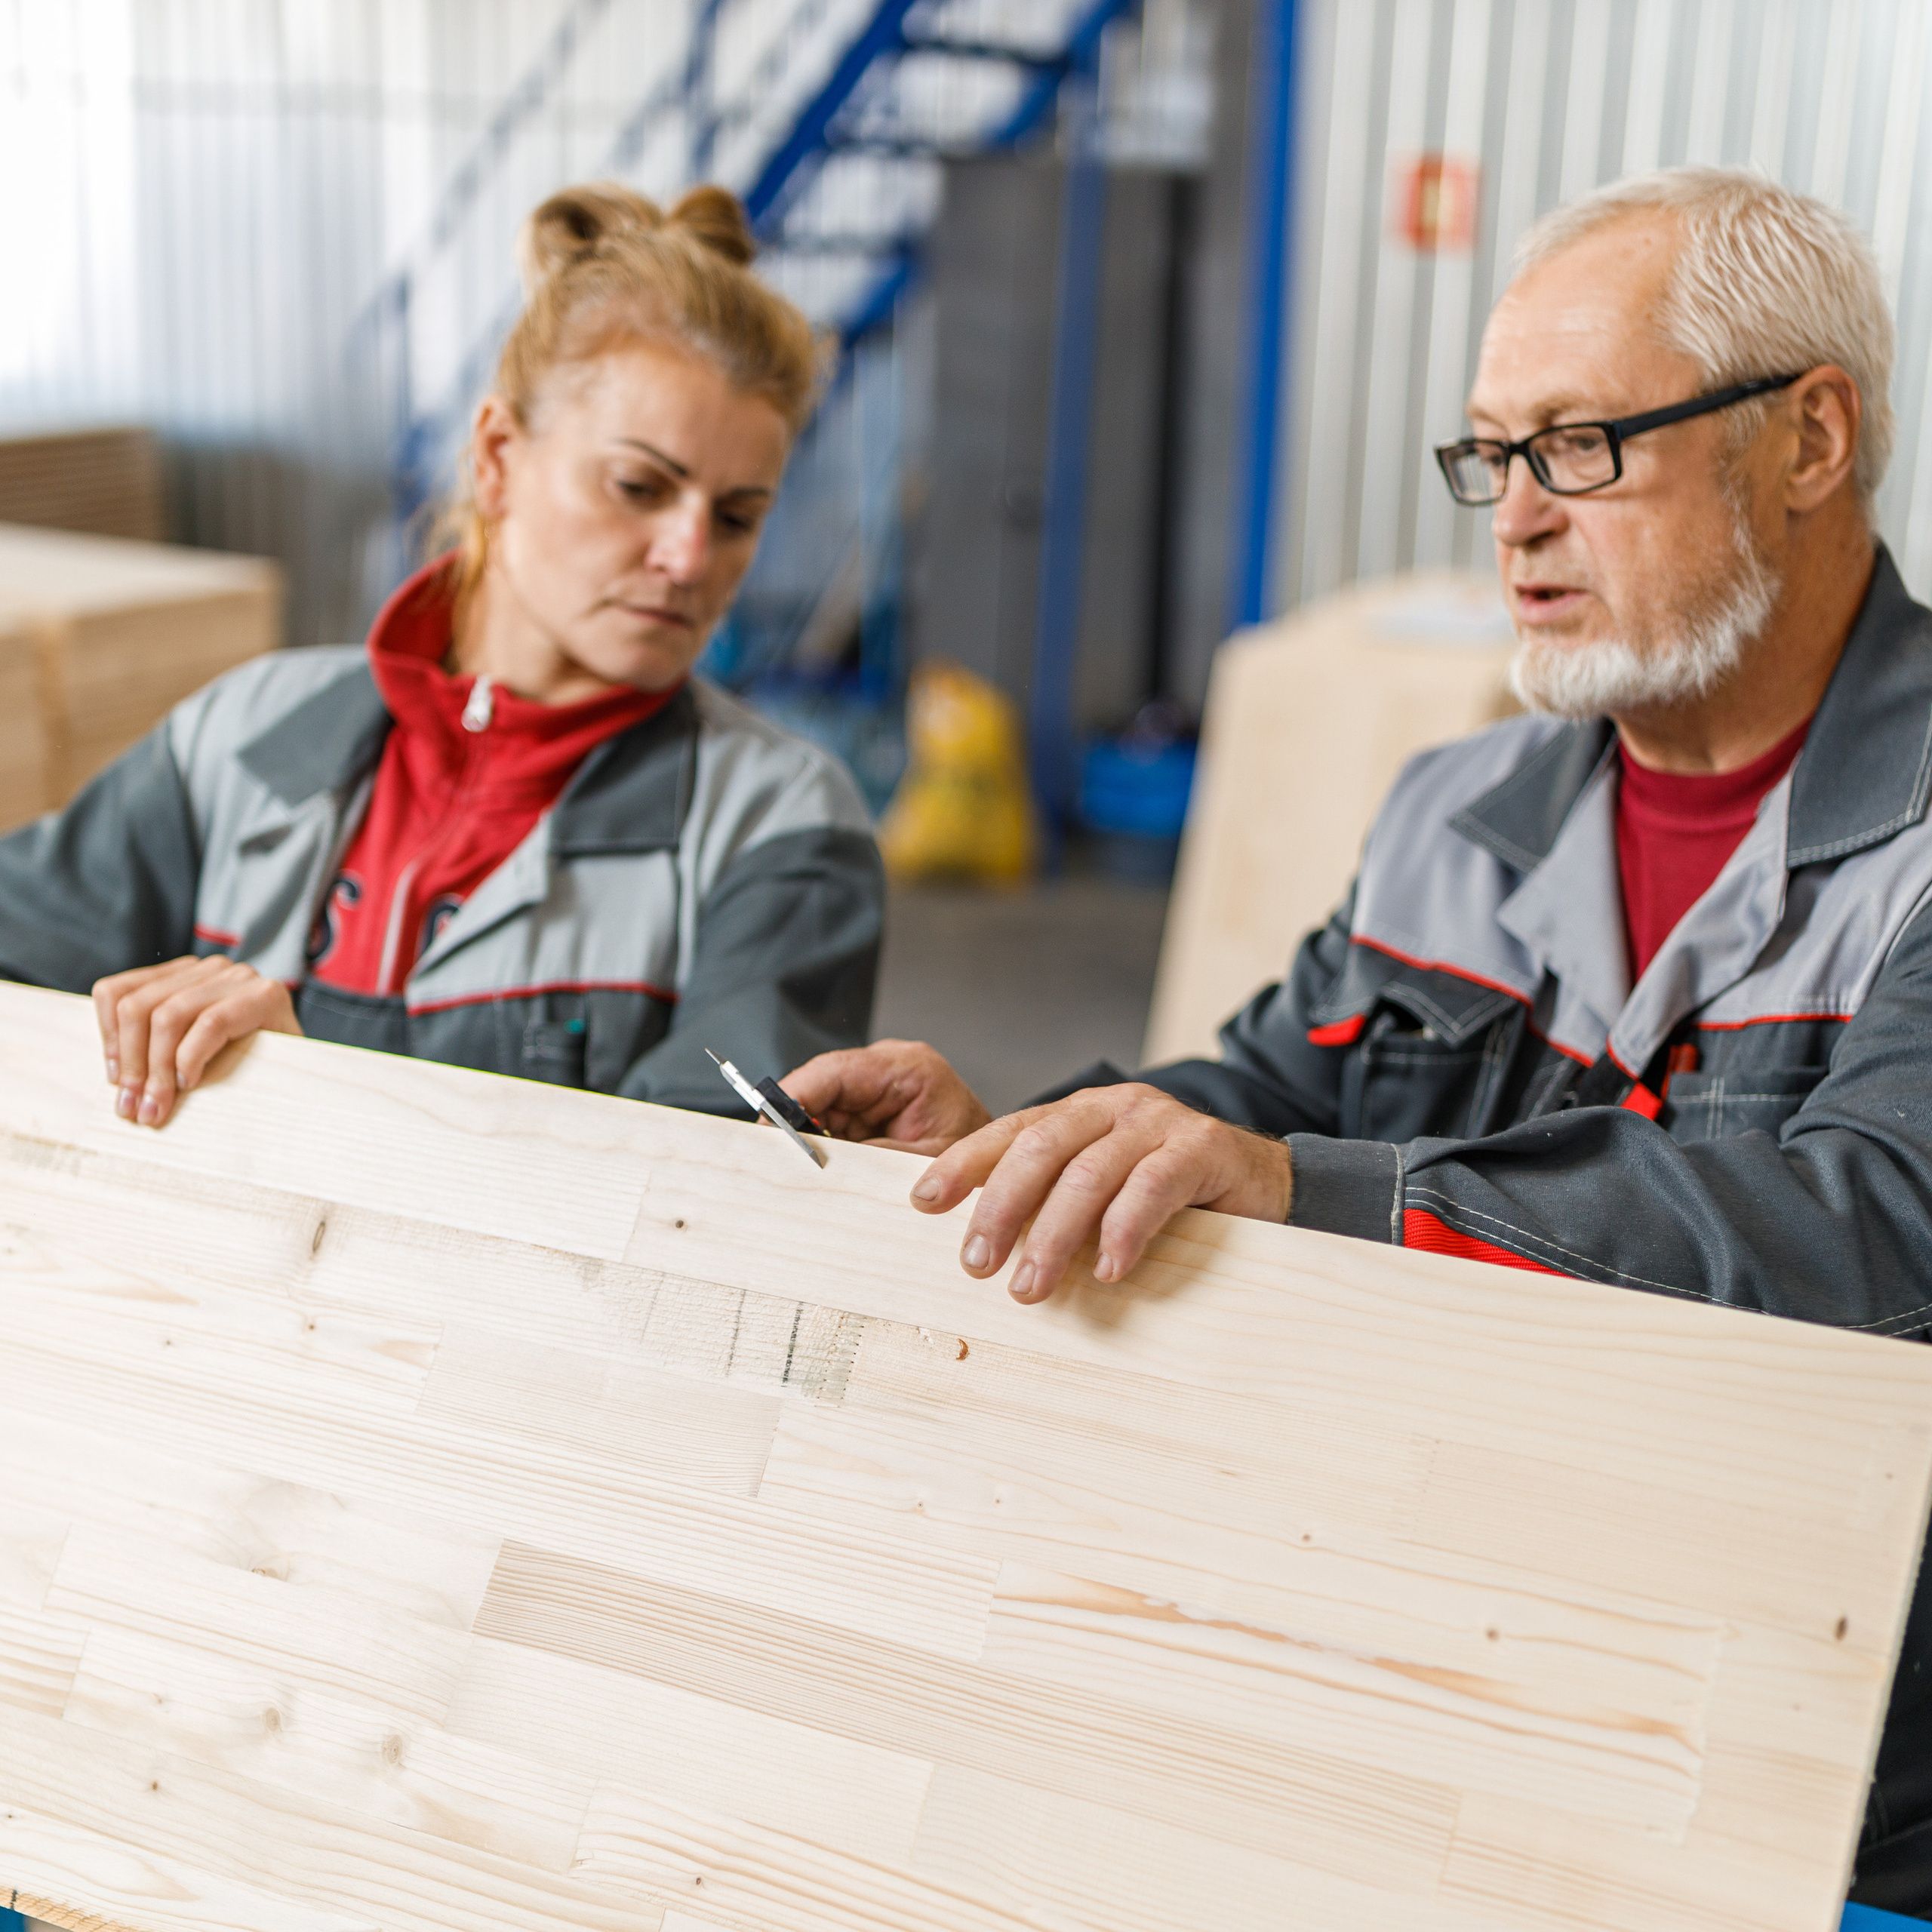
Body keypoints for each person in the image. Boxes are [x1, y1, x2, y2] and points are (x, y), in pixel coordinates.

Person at [783, 168, 1932, 1911]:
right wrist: (1025, 1143)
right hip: (1453, 1703)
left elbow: (1866, 1234)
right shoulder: (1455, 812)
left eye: (1577, 444)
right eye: (1490, 453)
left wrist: (1325, 1192)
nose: (1516, 520)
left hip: (1828, 1798)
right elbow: (1257, 1093)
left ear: (1806, 436)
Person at [0, 181, 882, 1128]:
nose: (689, 556)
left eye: (738, 516)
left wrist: (301, 1104)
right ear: (498, 456)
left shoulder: (781, 828)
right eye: (639, 486)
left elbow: (690, 1220)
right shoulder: (243, 734)